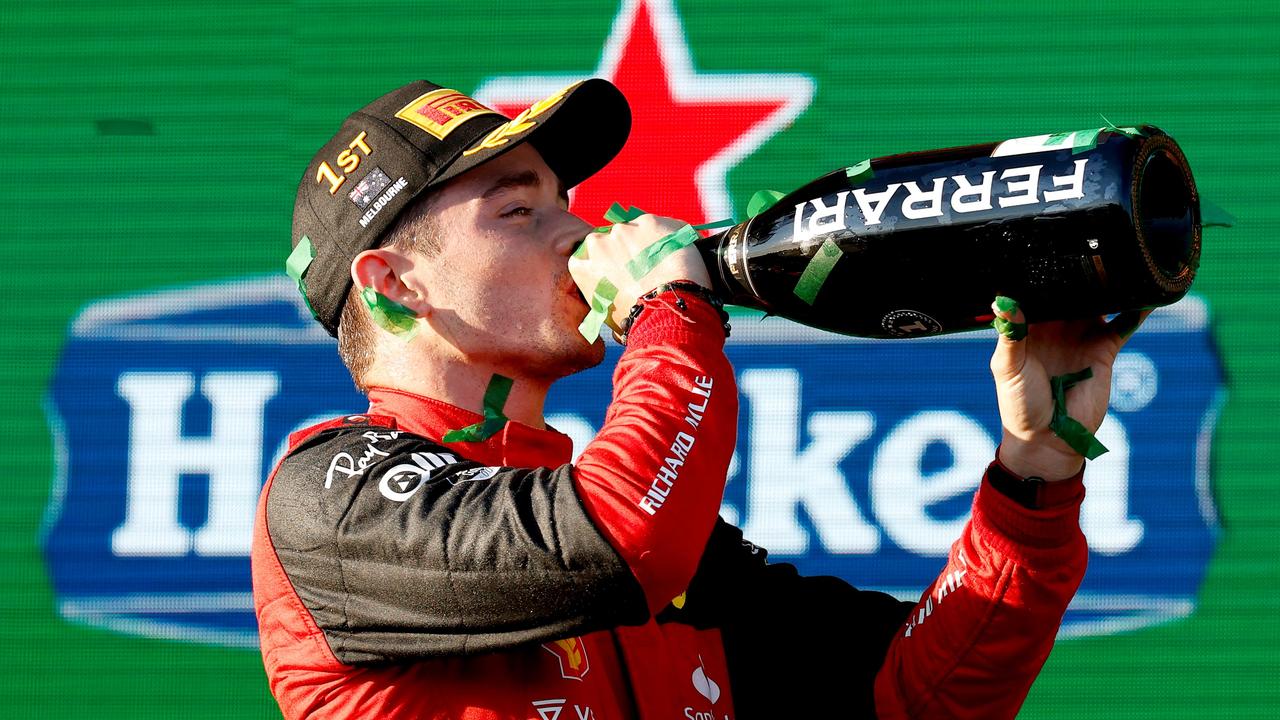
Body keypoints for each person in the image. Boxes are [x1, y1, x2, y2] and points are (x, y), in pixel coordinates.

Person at [253, 77, 1145, 719]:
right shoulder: (329, 497)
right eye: (517, 211)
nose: (579, 228)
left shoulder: (665, 544)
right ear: (391, 283)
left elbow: (914, 695)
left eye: (566, 198)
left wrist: (1037, 472)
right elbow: (620, 541)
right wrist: (669, 311)